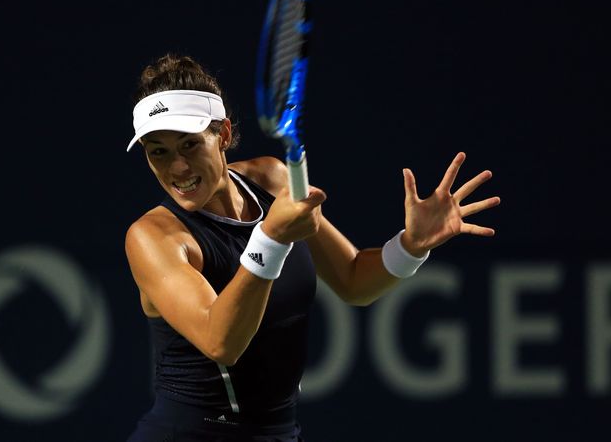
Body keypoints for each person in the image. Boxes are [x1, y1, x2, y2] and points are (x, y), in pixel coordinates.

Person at [123, 53, 500, 442]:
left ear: (222, 135)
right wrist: (271, 238)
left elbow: (353, 279)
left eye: (189, 145)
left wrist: (411, 246)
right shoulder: (153, 237)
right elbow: (221, 342)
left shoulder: (272, 179)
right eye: (159, 152)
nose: (178, 168)